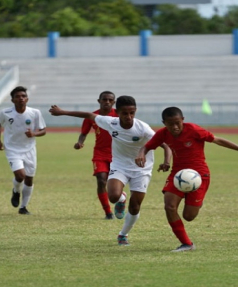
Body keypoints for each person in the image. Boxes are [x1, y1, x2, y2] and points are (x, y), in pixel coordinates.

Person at [49, 96, 172, 246]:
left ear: (135, 111)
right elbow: (89, 115)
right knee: (113, 196)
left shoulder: (142, 128)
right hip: (120, 166)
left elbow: (165, 145)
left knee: (135, 206)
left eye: (132, 113)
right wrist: (62, 112)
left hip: (141, 169)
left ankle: (123, 234)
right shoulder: (110, 122)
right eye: (125, 113)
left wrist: (166, 162)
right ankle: (121, 199)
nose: (129, 117)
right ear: (117, 112)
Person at [135, 107, 238, 252]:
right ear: (164, 123)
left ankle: (196, 201)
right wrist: (141, 153)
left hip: (199, 176)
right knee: (169, 206)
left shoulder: (193, 129)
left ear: (183, 120)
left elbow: (217, 140)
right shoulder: (162, 134)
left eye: (177, 123)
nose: (174, 127)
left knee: (189, 216)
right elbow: (147, 146)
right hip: (177, 174)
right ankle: (187, 244)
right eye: (170, 124)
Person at [0, 86, 47, 215]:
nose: (21, 98)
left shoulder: (35, 113)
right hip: (12, 149)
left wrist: (34, 134)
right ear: (12, 100)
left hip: (29, 150)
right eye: (17, 97)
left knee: (29, 179)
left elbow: (43, 130)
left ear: (27, 99)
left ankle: (23, 207)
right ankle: (16, 191)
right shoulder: (5, 113)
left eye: (23, 96)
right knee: (20, 175)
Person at [74, 91, 118, 219]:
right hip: (100, 153)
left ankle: (121, 199)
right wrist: (80, 143)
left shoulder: (119, 115)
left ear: (114, 102)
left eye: (110, 100)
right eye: (104, 99)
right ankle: (108, 212)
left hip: (118, 154)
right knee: (101, 180)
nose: (107, 102)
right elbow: (84, 133)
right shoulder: (92, 116)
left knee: (114, 183)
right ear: (99, 101)